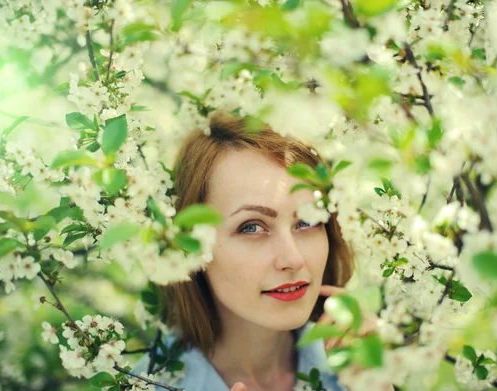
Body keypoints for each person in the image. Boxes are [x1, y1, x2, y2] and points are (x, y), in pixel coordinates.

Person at [134, 111, 355, 391]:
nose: (293, 259)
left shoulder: (351, 370)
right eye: (251, 227)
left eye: (308, 221)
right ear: (190, 247)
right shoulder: (145, 385)